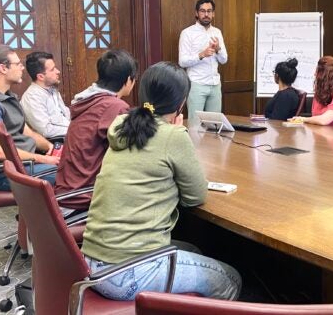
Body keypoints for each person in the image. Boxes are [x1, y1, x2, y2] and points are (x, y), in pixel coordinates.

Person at [82, 61, 241, 300]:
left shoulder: (124, 126)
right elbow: (196, 196)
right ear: (181, 103)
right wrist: (175, 132)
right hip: (129, 273)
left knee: (193, 249)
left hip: (91, 264)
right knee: (230, 278)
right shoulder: (172, 136)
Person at [0, 45, 58, 191]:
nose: (22, 68)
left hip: (25, 165)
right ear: (3, 68)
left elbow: (28, 133)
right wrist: (43, 158)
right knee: (72, 174)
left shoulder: (8, 96)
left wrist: (52, 148)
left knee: (77, 166)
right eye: (18, 64)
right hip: (6, 174)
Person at [54, 49, 137, 210]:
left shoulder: (87, 100)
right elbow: (131, 154)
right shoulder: (115, 106)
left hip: (65, 192)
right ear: (128, 80)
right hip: (84, 197)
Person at [178, 0, 228, 123]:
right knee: (195, 126)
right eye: (202, 11)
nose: (206, 14)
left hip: (215, 85)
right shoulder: (187, 33)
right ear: (196, 13)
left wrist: (218, 49)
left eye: (209, 11)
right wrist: (201, 55)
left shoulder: (217, 32)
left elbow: (224, 60)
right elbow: (182, 61)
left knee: (215, 126)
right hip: (196, 84)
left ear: (213, 13)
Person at [290, 56, 333, 129]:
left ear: (327, 77)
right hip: (326, 136)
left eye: (317, 71)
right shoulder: (320, 94)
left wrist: (303, 119)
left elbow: (324, 120)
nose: (314, 74)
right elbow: (316, 118)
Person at [20, 51, 70, 138]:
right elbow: (46, 130)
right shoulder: (32, 97)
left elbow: (65, 115)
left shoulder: (52, 89)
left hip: (69, 135)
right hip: (54, 142)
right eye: (52, 69)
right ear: (41, 77)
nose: (58, 71)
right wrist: (75, 129)